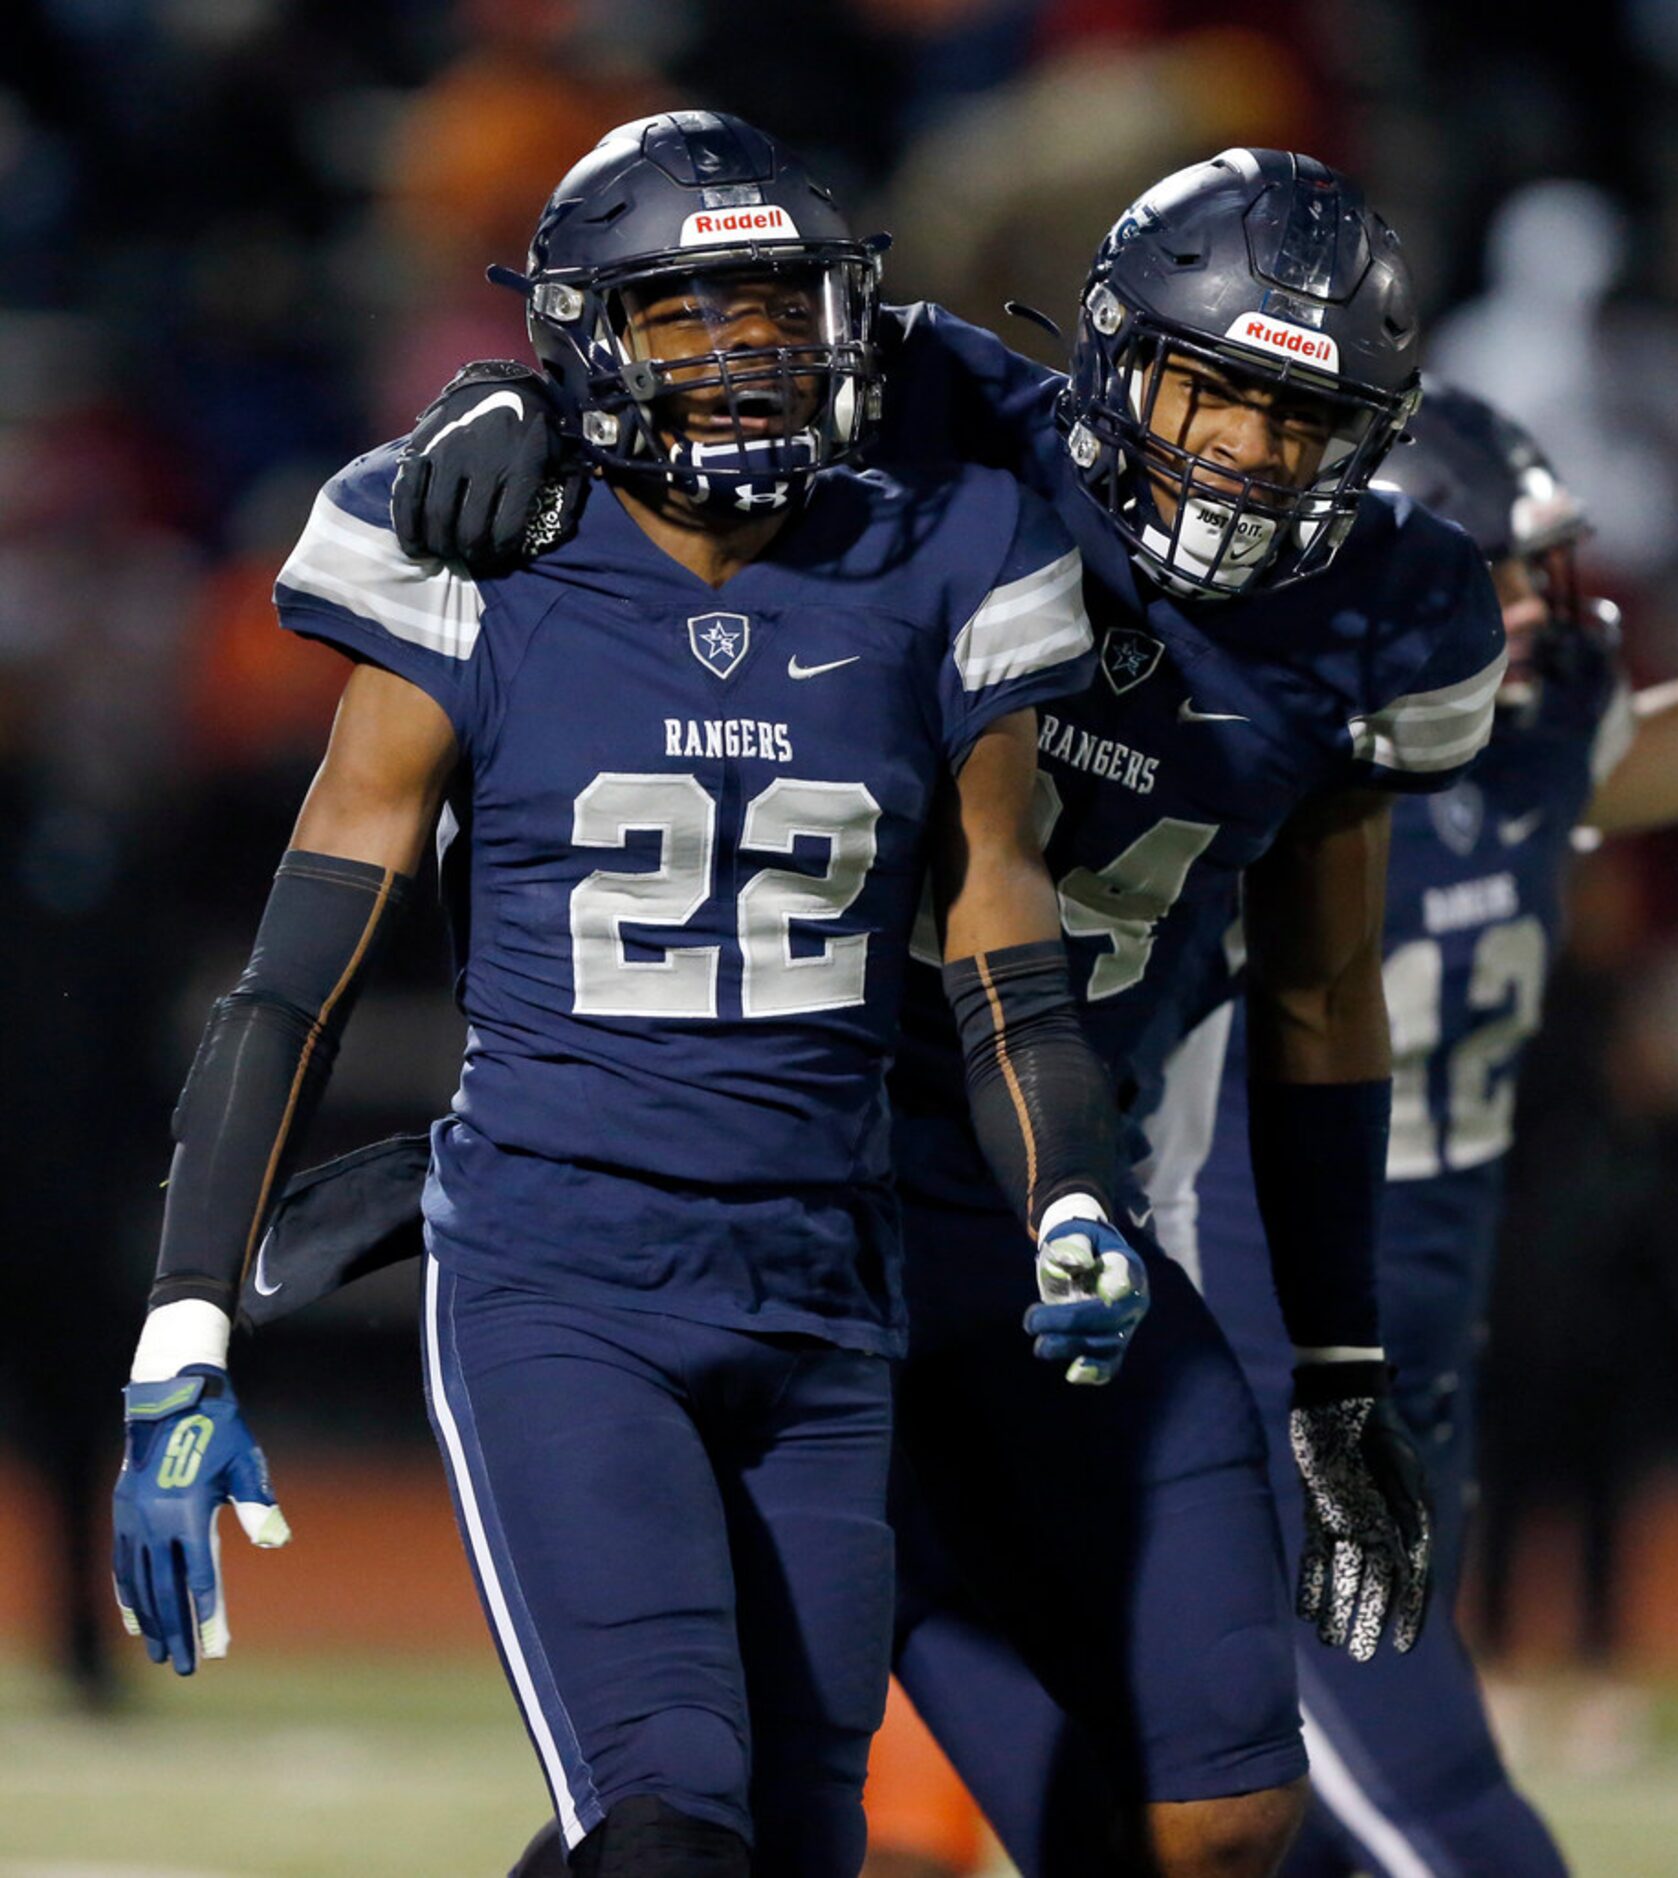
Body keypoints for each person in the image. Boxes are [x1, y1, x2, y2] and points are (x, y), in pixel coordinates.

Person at [259, 150, 1504, 1877]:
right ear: (1107, 354)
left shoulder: (1394, 611)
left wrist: (1342, 1358)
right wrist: (502, 401)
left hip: (1049, 1211)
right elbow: (679, 332)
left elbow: (1315, 990)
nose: (1239, 450)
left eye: (1298, 417)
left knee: (1218, 1811)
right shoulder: (938, 413)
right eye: (1209, 387)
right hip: (800, 1182)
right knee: (729, 1808)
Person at [109, 110, 1149, 1878]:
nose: (744, 360)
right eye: (686, 316)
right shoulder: (471, 554)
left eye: (775, 313)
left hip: (831, 1283)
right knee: (666, 1823)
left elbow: (999, 924)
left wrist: (1068, 1187)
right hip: (562, 1275)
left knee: (782, 1849)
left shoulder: (945, 549)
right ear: (586, 340)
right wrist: (185, 1321)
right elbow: (297, 977)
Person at [1149, 381, 1678, 1876]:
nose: (1519, 606)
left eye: (1522, 568)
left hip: (1411, 1382)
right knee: (1456, 1835)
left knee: (1308, 1849)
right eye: (1478, 571)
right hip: (1251, 1383)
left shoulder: (1536, 740)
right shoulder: (1247, 761)